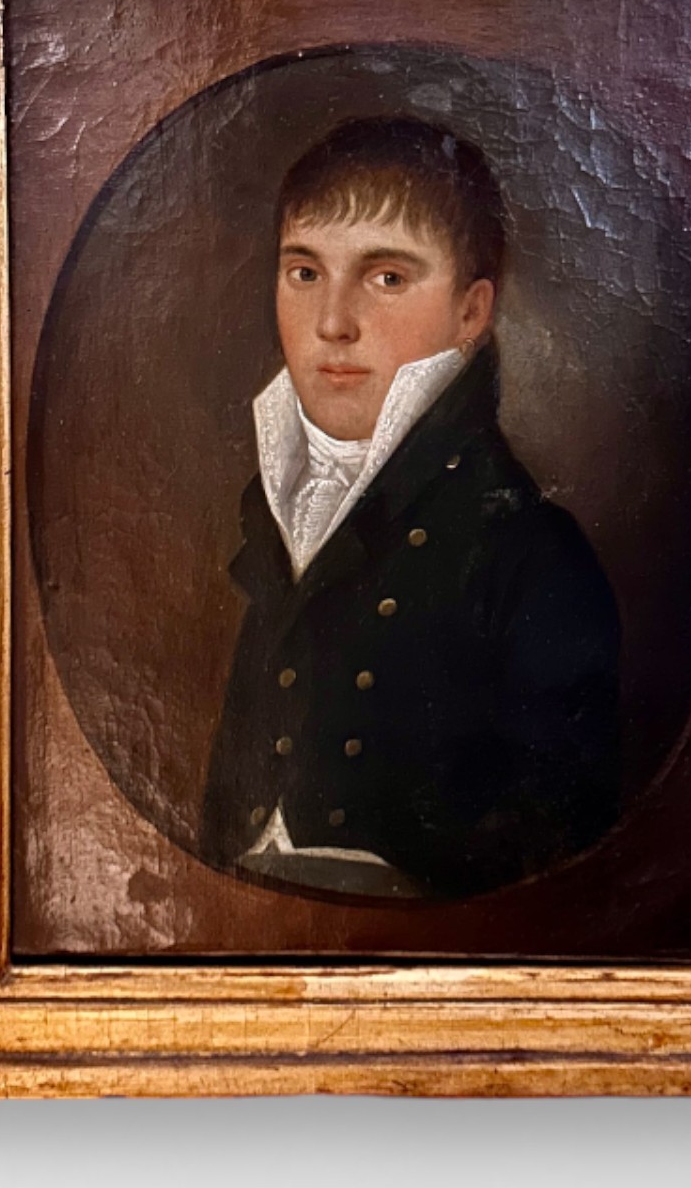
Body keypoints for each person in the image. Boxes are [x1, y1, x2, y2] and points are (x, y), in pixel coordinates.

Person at [199, 116, 621, 900]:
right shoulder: (283, 512)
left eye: (387, 278)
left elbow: (559, 859)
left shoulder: (531, 554)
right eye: (304, 273)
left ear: (472, 312)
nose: (333, 322)